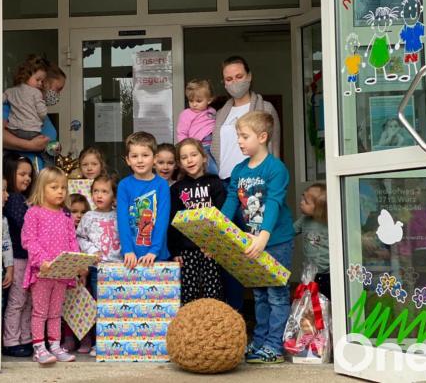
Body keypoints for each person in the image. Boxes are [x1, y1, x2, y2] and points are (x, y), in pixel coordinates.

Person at [220, 111, 294, 364]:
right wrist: (217, 234)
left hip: (275, 241)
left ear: (262, 137)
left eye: (244, 136)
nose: (239, 141)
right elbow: (231, 201)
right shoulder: (239, 170)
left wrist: (263, 236)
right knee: (260, 294)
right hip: (253, 242)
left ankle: (275, 346)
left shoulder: (276, 168)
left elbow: (273, 202)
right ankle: (260, 341)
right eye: (238, 136)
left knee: (276, 294)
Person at [212, 55, 281, 311]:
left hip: (254, 187)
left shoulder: (265, 109)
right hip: (227, 185)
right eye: (229, 79)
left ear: (249, 76)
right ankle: (235, 312)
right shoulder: (222, 113)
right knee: (230, 256)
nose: (234, 82)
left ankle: (264, 319)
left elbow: (273, 151)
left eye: (239, 77)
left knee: (256, 253)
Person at [21, 167, 85, 365]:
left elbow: (72, 241)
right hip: (42, 272)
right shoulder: (34, 213)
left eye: (64, 188)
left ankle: (55, 346)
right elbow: (29, 240)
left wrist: (79, 263)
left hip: (62, 273)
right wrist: (42, 261)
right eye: (54, 187)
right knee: (40, 312)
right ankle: (39, 348)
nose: (60, 192)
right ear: (42, 188)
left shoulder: (65, 216)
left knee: (56, 312)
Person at [168, 138, 226, 305]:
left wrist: (216, 244)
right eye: (184, 157)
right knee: (189, 292)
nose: (190, 160)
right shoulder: (177, 188)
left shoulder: (215, 183)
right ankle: (190, 328)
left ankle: (215, 327)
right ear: (179, 163)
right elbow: (173, 223)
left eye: (194, 155)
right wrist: (175, 252)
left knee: (213, 291)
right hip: (187, 250)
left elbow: (223, 217)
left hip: (211, 249)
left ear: (204, 157)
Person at [75, 173, 121, 355]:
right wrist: (92, 251)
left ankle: (115, 340)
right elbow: (79, 237)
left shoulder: (119, 215)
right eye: (95, 191)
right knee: (99, 305)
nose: (99, 195)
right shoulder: (88, 216)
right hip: (97, 269)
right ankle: (99, 342)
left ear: (114, 197)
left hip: (118, 267)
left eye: (104, 191)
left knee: (115, 305)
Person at [117, 132, 171, 269]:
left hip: (157, 256)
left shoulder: (162, 185)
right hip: (131, 256)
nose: (140, 160)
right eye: (134, 156)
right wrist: (127, 250)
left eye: (145, 155)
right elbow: (122, 220)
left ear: (155, 159)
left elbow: (162, 220)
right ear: (128, 160)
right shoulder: (124, 185)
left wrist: (154, 250)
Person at [2, 155, 36, 358]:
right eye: (22, 174)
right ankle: (12, 340)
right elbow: (23, 224)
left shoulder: (22, 199)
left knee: (26, 301)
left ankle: (25, 338)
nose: (27, 178)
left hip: (27, 257)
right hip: (17, 257)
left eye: (29, 175)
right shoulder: (14, 199)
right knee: (18, 301)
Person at [3, 62, 67, 170]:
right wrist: (30, 145)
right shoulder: (13, 104)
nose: (58, 94)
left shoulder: (42, 112)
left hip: (41, 179)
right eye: (58, 89)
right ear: (44, 82)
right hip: (20, 176)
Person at [61, 193, 90, 352]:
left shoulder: (86, 232)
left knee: (84, 306)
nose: (79, 216)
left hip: (83, 276)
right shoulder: (63, 230)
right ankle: (69, 339)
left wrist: (83, 273)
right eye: (74, 211)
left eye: (83, 212)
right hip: (66, 275)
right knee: (67, 307)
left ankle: (86, 339)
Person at [294, 183, 331, 298]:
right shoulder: (304, 220)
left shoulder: (329, 221)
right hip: (311, 271)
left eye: (306, 202)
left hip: (328, 272)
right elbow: (290, 231)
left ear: (319, 207)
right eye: (302, 198)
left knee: (327, 297)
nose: (301, 202)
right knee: (312, 299)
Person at [176, 79, 218, 175]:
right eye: (191, 101)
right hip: (199, 147)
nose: (194, 104)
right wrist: (185, 148)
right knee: (213, 171)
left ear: (209, 100)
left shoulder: (212, 111)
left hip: (214, 146)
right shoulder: (186, 114)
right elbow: (182, 133)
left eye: (199, 101)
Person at [2, 178, 15, 344]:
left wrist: (9, 267)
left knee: (1, 304)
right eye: (3, 191)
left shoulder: (3, 219)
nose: (7, 195)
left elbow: (6, 243)